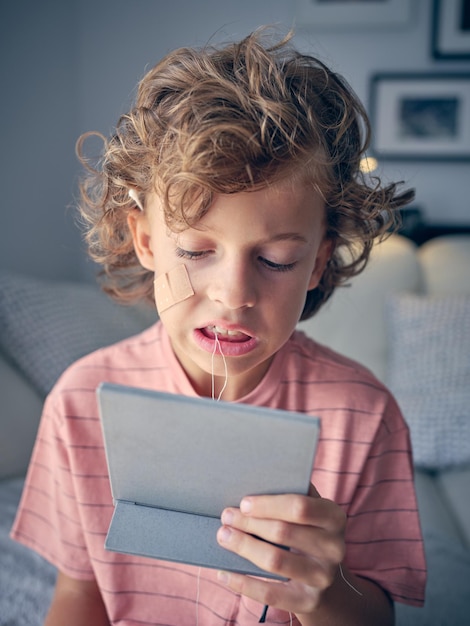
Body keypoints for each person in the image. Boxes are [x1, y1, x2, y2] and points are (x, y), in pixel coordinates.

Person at [11, 28, 426, 625]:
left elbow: (377, 614)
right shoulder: (81, 403)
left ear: (315, 262)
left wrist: (326, 589)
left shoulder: (364, 415)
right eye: (196, 251)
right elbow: (80, 597)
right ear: (147, 240)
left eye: (276, 261)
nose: (233, 295)